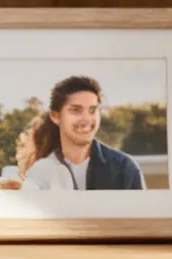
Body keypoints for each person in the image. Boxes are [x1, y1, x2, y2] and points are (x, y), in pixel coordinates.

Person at [15, 75, 144, 191]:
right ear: (56, 117)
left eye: (92, 110)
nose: (86, 119)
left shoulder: (125, 169)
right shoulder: (40, 174)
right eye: (76, 110)